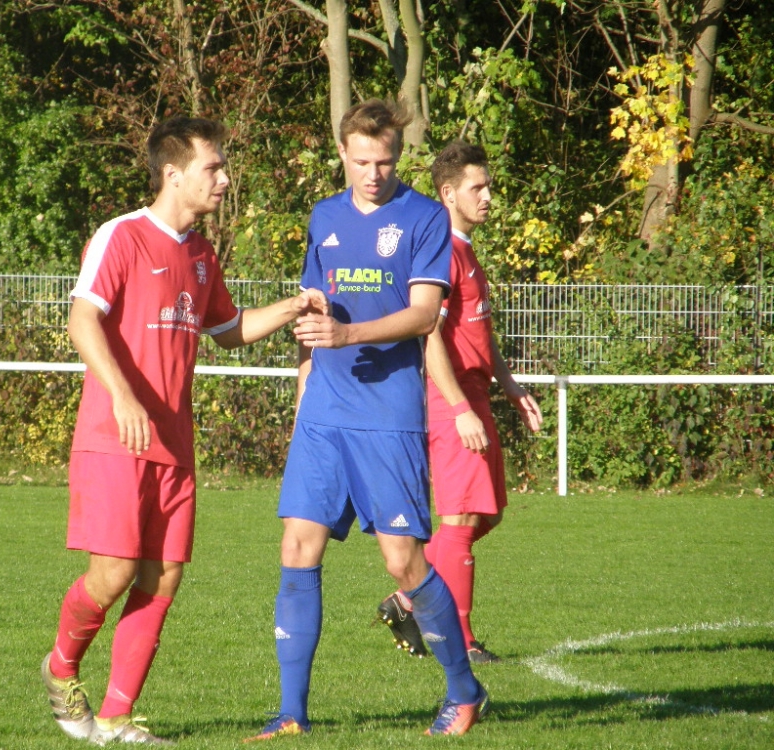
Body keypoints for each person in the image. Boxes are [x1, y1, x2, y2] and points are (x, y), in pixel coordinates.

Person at [41, 116, 328, 747]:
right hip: (115, 437)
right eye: (213, 167)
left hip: (174, 444)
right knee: (114, 574)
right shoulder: (121, 236)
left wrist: (293, 306)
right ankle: (61, 667)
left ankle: (115, 719)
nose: (224, 179)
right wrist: (123, 396)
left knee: (164, 577)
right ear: (173, 174)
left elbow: (228, 330)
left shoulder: (200, 253)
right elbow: (82, 320)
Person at [245, 100, 489, 742]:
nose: (372, 174)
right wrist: (303, 406)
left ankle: (464, 692)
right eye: (360, 162)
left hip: (387, 416)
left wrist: (347, 333)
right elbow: (312, 317)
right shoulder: (323, 216)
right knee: (296, 547)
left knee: (403, 563)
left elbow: (424, 316)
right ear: (342, 153)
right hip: (324, 415)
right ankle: (291, 713)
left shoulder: (424, 218)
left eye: (383, 161)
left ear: (398, 155)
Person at [376, 140, 543, 665]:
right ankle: (461, 641)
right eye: (478, 187)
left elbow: (479, 332)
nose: (488, 196)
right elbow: (429, 336)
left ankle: (408, 600)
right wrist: (458, 407)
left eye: (488, 186)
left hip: (475, 393)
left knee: (485, 514)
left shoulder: (466, 250)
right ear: (448, 193)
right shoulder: (444, 252)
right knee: (461, 519)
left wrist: (509, 385)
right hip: (450, 398)